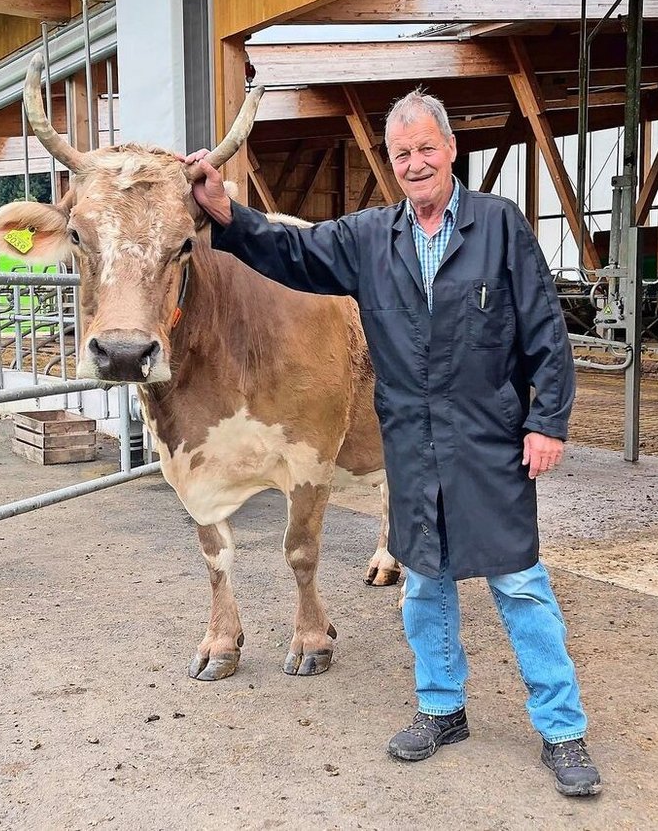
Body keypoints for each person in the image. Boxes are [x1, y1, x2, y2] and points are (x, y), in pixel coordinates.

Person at [183, 89, 601, 798]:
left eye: (425, 148)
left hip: (489, 437)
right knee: (425, 583)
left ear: (450, 151)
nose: (415, 163)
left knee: (520, 585)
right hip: (412, 440)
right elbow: (293, 250)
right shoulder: (372, 237)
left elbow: (544, 330)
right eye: (401, 153)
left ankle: (562, 729)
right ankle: (442, 708)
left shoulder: (499, 226)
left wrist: (548, 420)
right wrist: (225, 210)